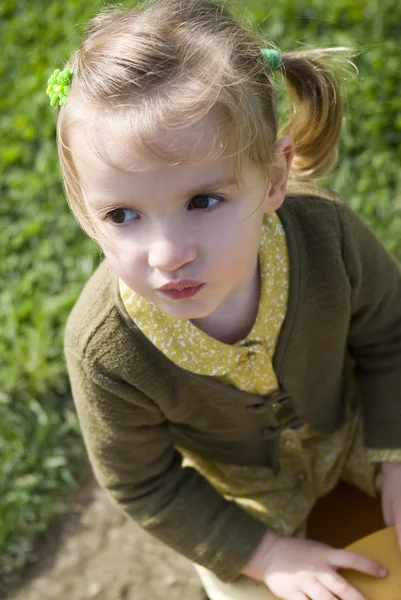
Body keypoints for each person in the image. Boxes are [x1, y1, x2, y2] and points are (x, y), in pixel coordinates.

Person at [46, 0, 401, 598]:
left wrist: (395, 454)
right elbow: (144, 483)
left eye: (203, 201)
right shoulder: (106, 349)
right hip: (247, 510)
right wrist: (264, 554)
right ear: (85, 213)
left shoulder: (325, 238)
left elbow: (390, 332)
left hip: (366, 428)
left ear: (275, 176)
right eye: (122, 214)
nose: (167, 254)